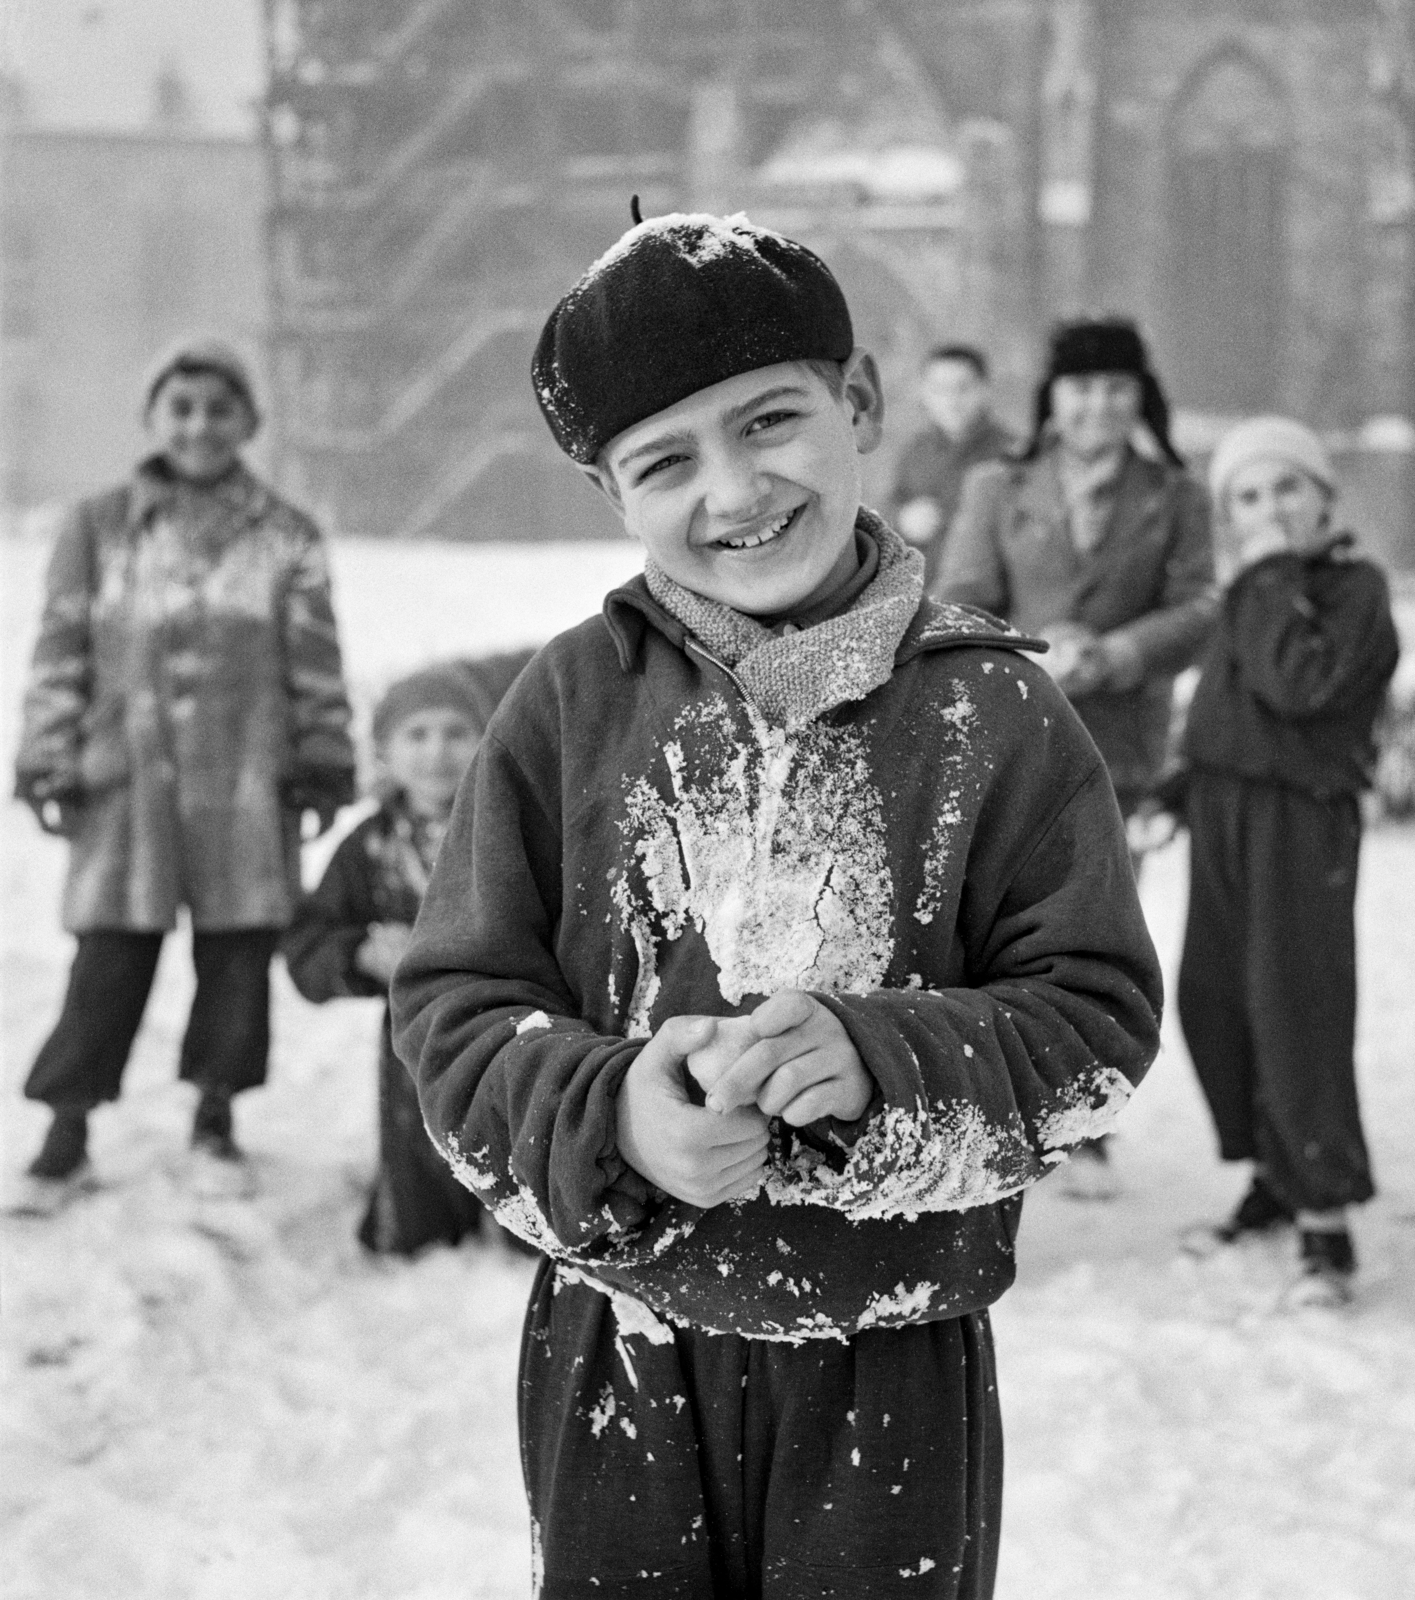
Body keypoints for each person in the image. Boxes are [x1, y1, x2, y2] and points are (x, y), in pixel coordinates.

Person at [392, 209, 1162, 1597]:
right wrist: (610, 1116)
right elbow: (457, 1012)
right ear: (608, 491)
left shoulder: (997, 715)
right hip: (615, 1345)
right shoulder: (565, 708)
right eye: (665, 461)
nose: (733, 488)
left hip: (892, 1356)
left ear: (855, 400)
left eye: (767, 422)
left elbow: (1092, 1029)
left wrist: (880, 1063)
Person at [13, 336, 356, 1203]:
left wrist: (323, 761)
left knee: (237, 959)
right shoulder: (97, 526)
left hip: (246, 786)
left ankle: (215, 1121)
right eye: (182, 408)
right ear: (152, 418)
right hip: (125, 784)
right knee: (108, 959)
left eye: (219, 409)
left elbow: (315, 662)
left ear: (249, 421)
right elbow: (60, 649)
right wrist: (47, 758)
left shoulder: (284, 534)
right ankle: (65, 1130)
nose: (200, 426)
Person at [936, 316, 1214, 1196]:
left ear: (1140, 398)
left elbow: (1200, 608)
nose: (1098, 404)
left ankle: (1083, 1122)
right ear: (1051, 399)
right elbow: (959, 601)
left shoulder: (1176, 495)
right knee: (994, 927)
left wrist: (1119, 652)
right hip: (1014, 740)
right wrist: (1036, 649)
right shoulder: (995, 484)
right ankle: (1000, 1109)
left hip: (1121, 750)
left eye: (1115, 388)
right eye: (1081, 386)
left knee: (1092, 938)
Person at [1174, 418, 1399, 1304]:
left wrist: (1268, 575)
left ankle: (1325, 1221)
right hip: (1222, 811)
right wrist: (1176, 786)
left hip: (1298, 822)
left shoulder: (1351, 590)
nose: (1268, 510)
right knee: (1217, 1000)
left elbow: (1297, 686)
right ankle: (1273, 1173)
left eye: (1286, 488)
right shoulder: (1252, 590)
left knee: (1294, 1006)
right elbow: (1230, 708)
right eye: (1247, 496)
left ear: (1323, 499)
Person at [284, 655, 532, 1256]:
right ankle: (426, 1226)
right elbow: (308, 947)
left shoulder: (516, 827)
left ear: (485, 740)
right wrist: (360, 953)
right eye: (416, 735)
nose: (436, 752)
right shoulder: (367, 846)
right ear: (385, 752)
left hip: (520, 1033)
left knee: (528, 1173)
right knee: (420, 1199)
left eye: (455, 732)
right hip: (415, 1049)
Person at [886, 343, 1015, 590]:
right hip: (923, 589)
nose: (952, 401)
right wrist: (903, 519)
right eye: (939, 390)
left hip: (986, 591)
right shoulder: (915, 452)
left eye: (963, 388)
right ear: (923, 393)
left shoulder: (1010, 454)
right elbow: (886, 507)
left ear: (985, 390)